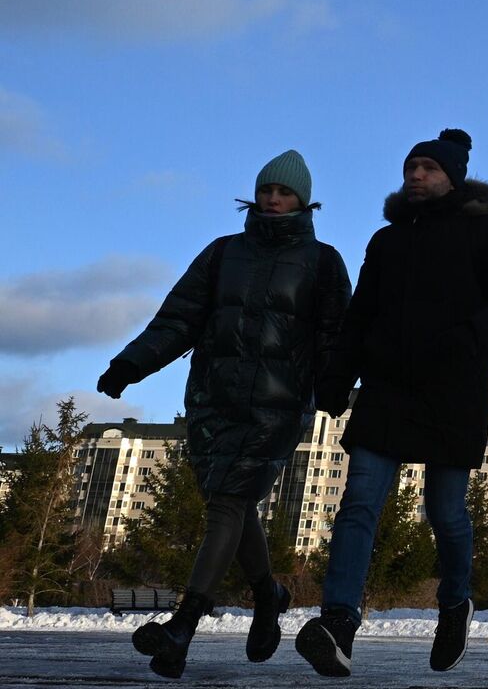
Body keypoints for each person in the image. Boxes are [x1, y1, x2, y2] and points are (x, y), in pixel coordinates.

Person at [97, 150, 350, 680]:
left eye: (284, 192)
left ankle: (184, 624)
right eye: (266, 191)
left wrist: (334, 389)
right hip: (215, 401)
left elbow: (334, 336)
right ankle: (268, 594)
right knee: (231, 506)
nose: (273, 199)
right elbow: (178, 318)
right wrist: (130, 364)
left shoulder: (323, 261)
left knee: (229, 503)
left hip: (277, 407)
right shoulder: (222, 253)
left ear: (304, 200)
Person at [297, 128, 488, 678]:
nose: (416, 177)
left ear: (452, 176)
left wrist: (470, 336)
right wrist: (337, 376)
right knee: (358, 505)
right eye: (410, 169)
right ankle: (338, 622)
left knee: (446, 512)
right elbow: (361, 317)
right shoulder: (387, 241)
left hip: (453, 388)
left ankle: (454, 604)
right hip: (386, 390)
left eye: (427, 168)